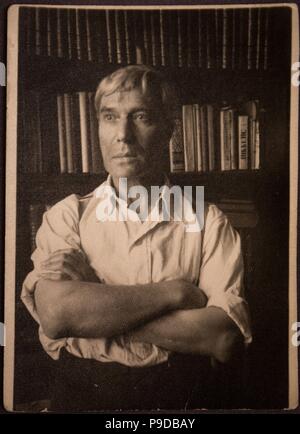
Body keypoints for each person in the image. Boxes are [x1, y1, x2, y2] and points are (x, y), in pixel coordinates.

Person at [21, 65, 252, 411]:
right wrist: (174, 293)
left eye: (141, 116)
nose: (123, 135)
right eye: (110, 117)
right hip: (82, 396)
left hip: (176, 399)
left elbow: (222, 337)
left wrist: (93, 299)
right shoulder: (67, 215)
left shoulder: (208, 222)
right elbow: (57, 315)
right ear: (98, 127)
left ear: (170, 130)